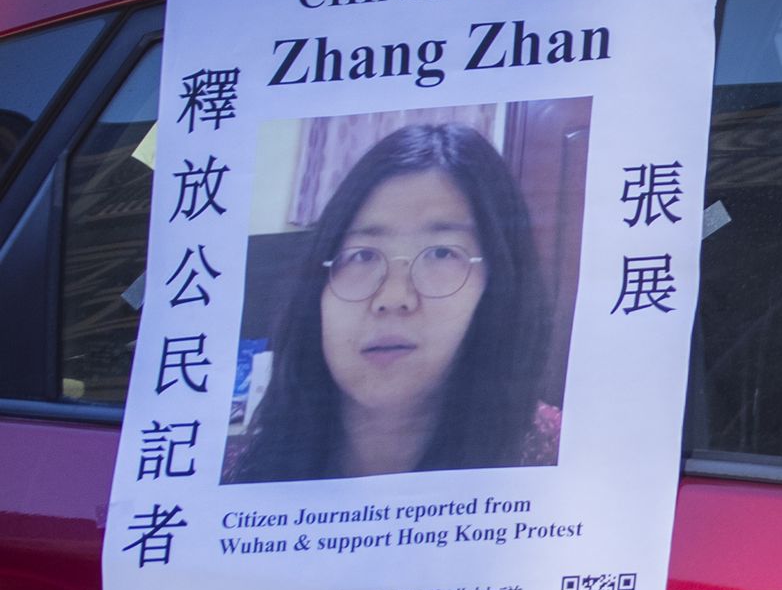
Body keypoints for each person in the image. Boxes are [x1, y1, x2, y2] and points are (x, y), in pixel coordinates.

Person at [227, 123, 557, 483]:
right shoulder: (238, 469)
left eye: (441, 253)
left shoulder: (554, 453)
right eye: (362, 256)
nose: (393, 297)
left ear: (499, 284)